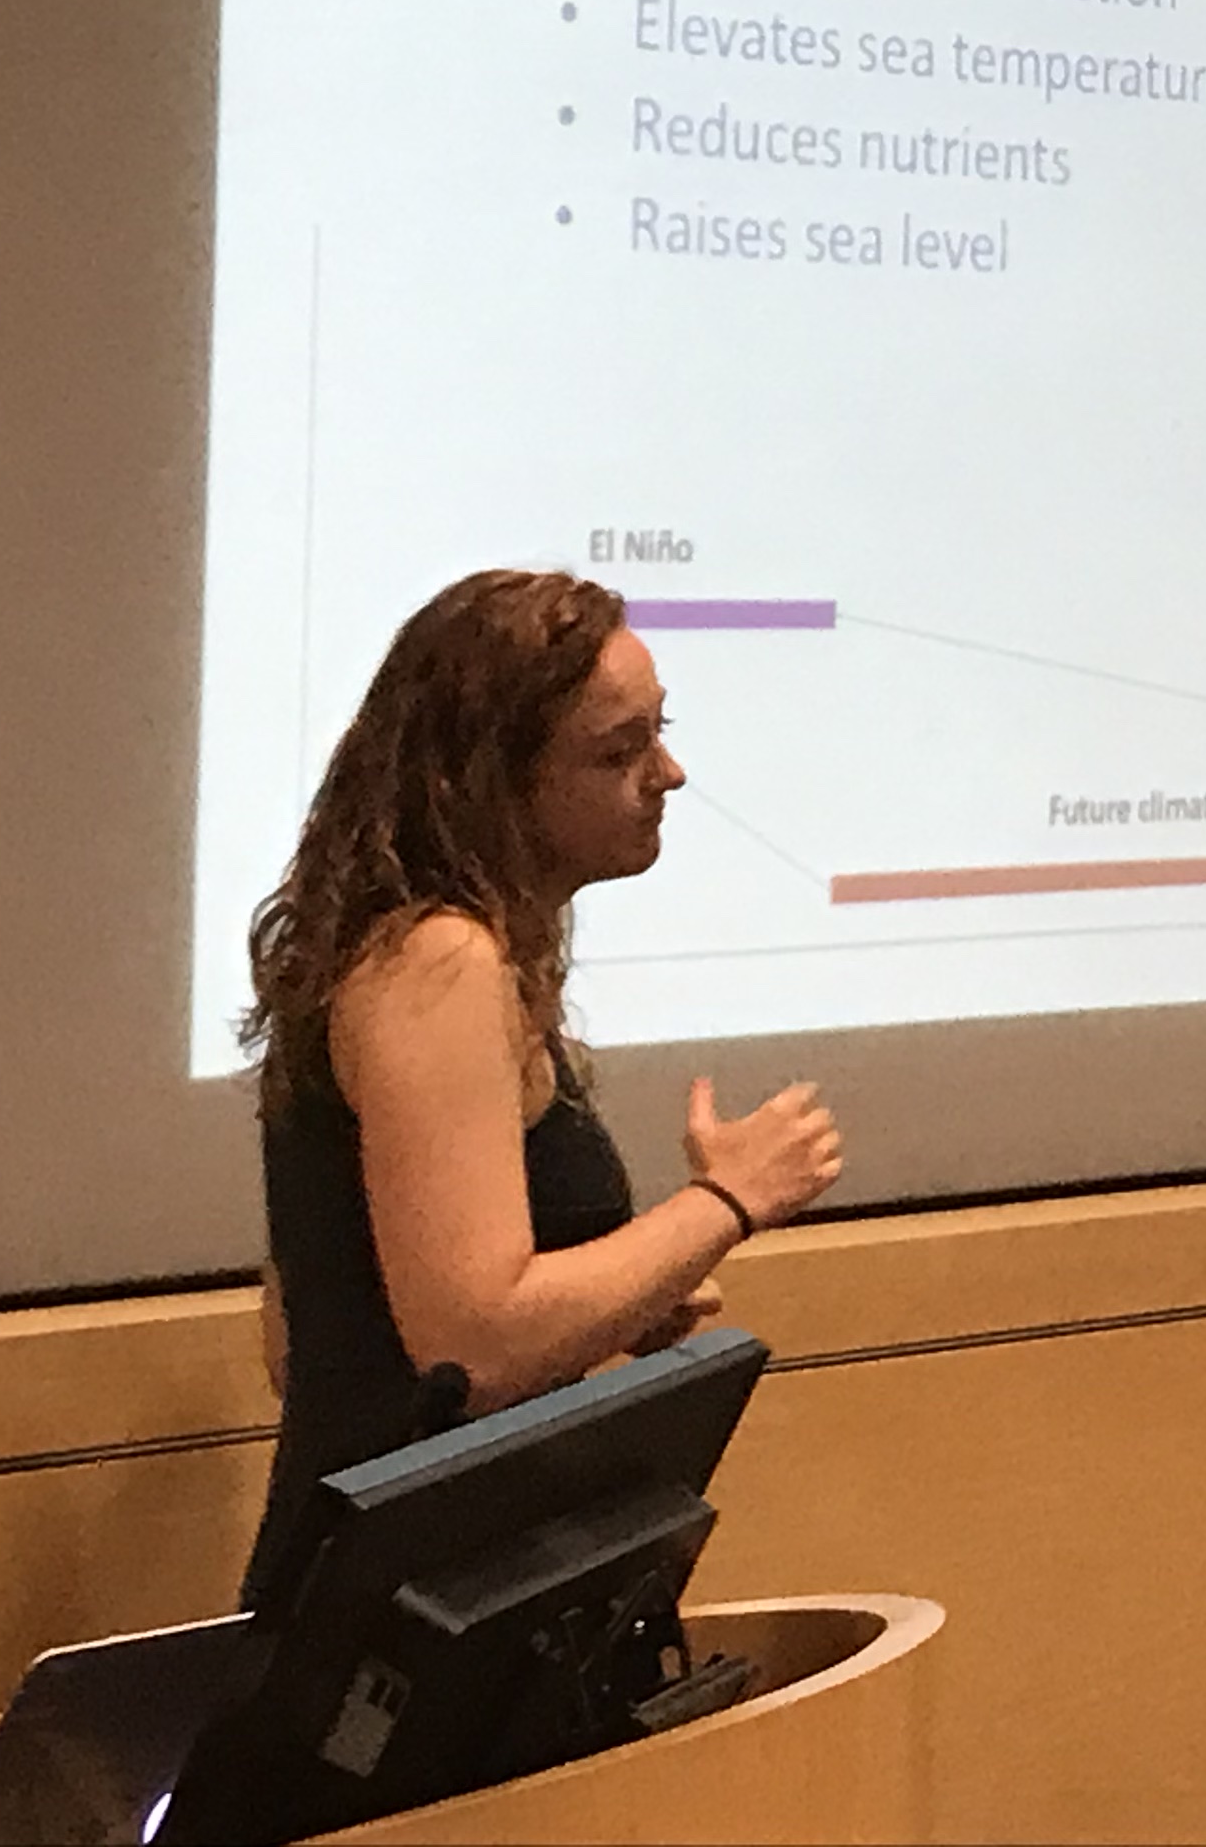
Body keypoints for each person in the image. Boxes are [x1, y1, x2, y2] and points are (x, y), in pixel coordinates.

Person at [234, 568, 840, 1606]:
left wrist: (611, 1306)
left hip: (430, 1578)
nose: (670, 774)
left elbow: (314, 1336)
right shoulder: (437, 962)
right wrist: (726, 1201)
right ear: (490, 782)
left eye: (660, 732)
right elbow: (470, 1350)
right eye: (618, 751)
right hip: (398, 1603)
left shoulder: (429, 951)